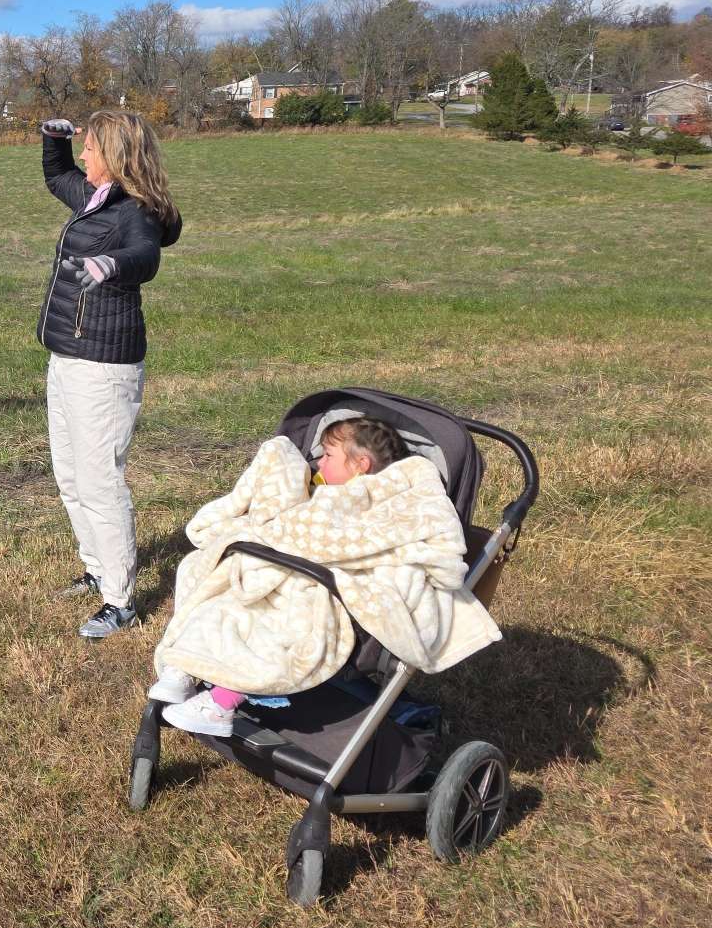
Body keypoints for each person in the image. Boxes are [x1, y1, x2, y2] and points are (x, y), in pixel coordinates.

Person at [148, 417, 492, 736]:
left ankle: (223, 701)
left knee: (278, 619)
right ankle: (183, 668)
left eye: (328, 456)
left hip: (326, 592)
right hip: (286, 569)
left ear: (361, 465)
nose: (319, 463)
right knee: (214, 585)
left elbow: (358, 538)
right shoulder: (316, 492)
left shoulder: (376, 499)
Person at [35, 112, 183, 639]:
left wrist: (112, 264)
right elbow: (58, 175)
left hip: (103, 366)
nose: (84, 156)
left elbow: (146, 254)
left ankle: (120, 601)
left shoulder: (134, 211)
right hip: (67, 356)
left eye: (91, 148)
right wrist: (54, 139)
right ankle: (97, 569)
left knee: (100, 482)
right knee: (71, 477)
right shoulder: (94, 198)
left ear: (116, 156)